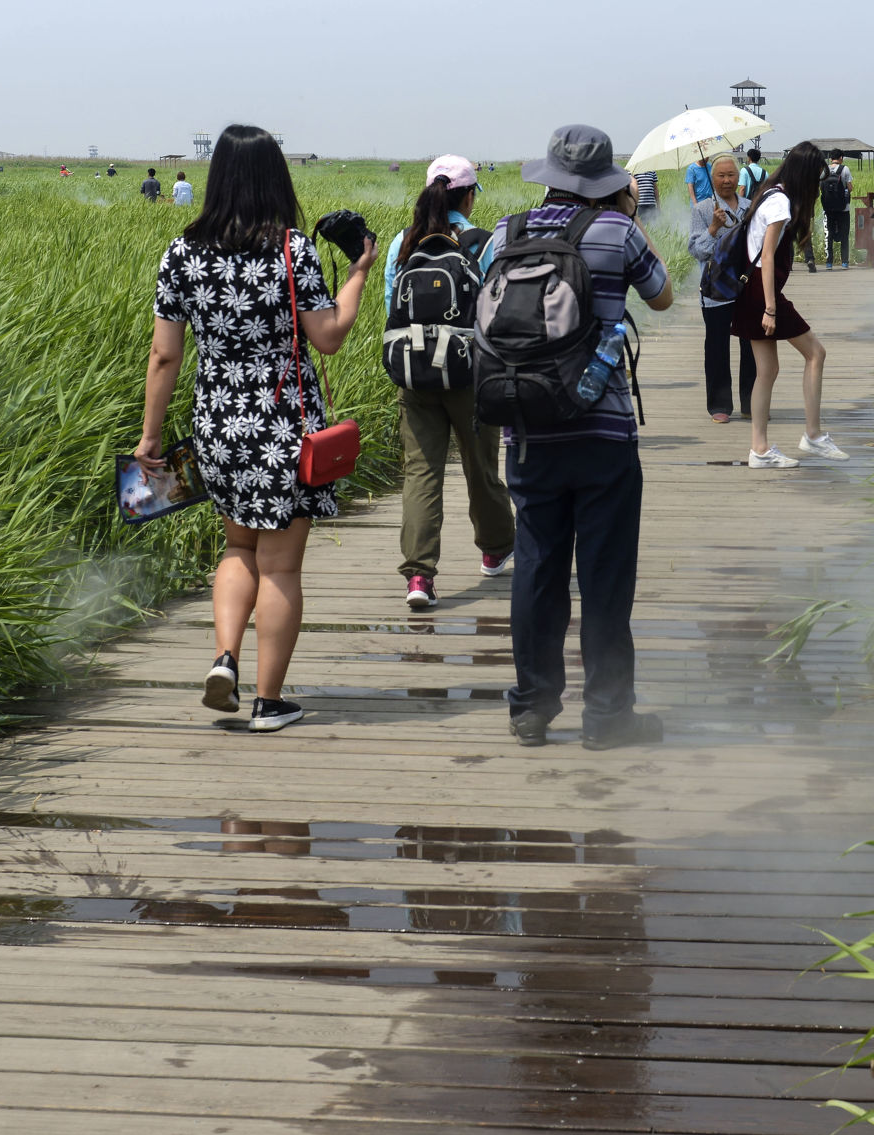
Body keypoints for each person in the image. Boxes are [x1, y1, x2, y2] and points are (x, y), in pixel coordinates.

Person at [135, 124, 377, 732]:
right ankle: (269, 702)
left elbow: (164, 356)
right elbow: (329, 337)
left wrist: (150, 436)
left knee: (238, 547)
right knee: (281, 566)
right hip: (284, 425)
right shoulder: (292, 250)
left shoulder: (181, 252)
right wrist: (358, 272)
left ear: (217, 176)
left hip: (218, 424)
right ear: (275, 177)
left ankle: (225, 658)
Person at [479, 125, 674, 751]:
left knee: (537, 569)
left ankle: (531, 709)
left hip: (526, 429)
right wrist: (630, 218)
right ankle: (608, 717)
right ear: (606, 181)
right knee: (605, 578)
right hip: (602, 430)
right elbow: (663, 296)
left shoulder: (505, 234)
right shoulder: (618, 231)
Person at [383, 155, 514, 612]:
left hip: (414, 373)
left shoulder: (404, 242)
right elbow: (497, 310)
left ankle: (419, 575)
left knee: (421, 473)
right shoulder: (484, 242)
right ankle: (495, 549)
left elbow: (391, 306)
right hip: (470, 374)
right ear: (469, 196)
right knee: (481, 467)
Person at [733, 140, 847, 468]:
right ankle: (813, 436)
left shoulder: (769, 193)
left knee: (768, 370)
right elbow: (767, 256)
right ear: (804, 174)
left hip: (751, 290)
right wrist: (770, 308)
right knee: (816, 354)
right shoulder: (781, 202)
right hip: (761, 290)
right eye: (815, 177)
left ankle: (759, 449)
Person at [689, 154, 757, 424]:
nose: (727, 180)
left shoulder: (750, 207)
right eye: (721, 175)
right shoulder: (702, 209)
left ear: (738, 177)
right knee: (717, 346)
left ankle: (752, 402)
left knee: (752, 345)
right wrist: (713, 228)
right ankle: (719, 405)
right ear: (713, 178)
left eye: (731, 175)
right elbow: (697, 251)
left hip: (747, 286)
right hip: (716, 289)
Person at [820, 149, 854, 269]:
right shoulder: (845, 169)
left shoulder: (825, 170)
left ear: (830, 159)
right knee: (844, 235)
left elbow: (821, 188)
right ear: (841, 158)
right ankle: (844, 262)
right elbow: (850, 188)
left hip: (829, 208)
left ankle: (829, 263)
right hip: (843, 208)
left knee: (829, 234)